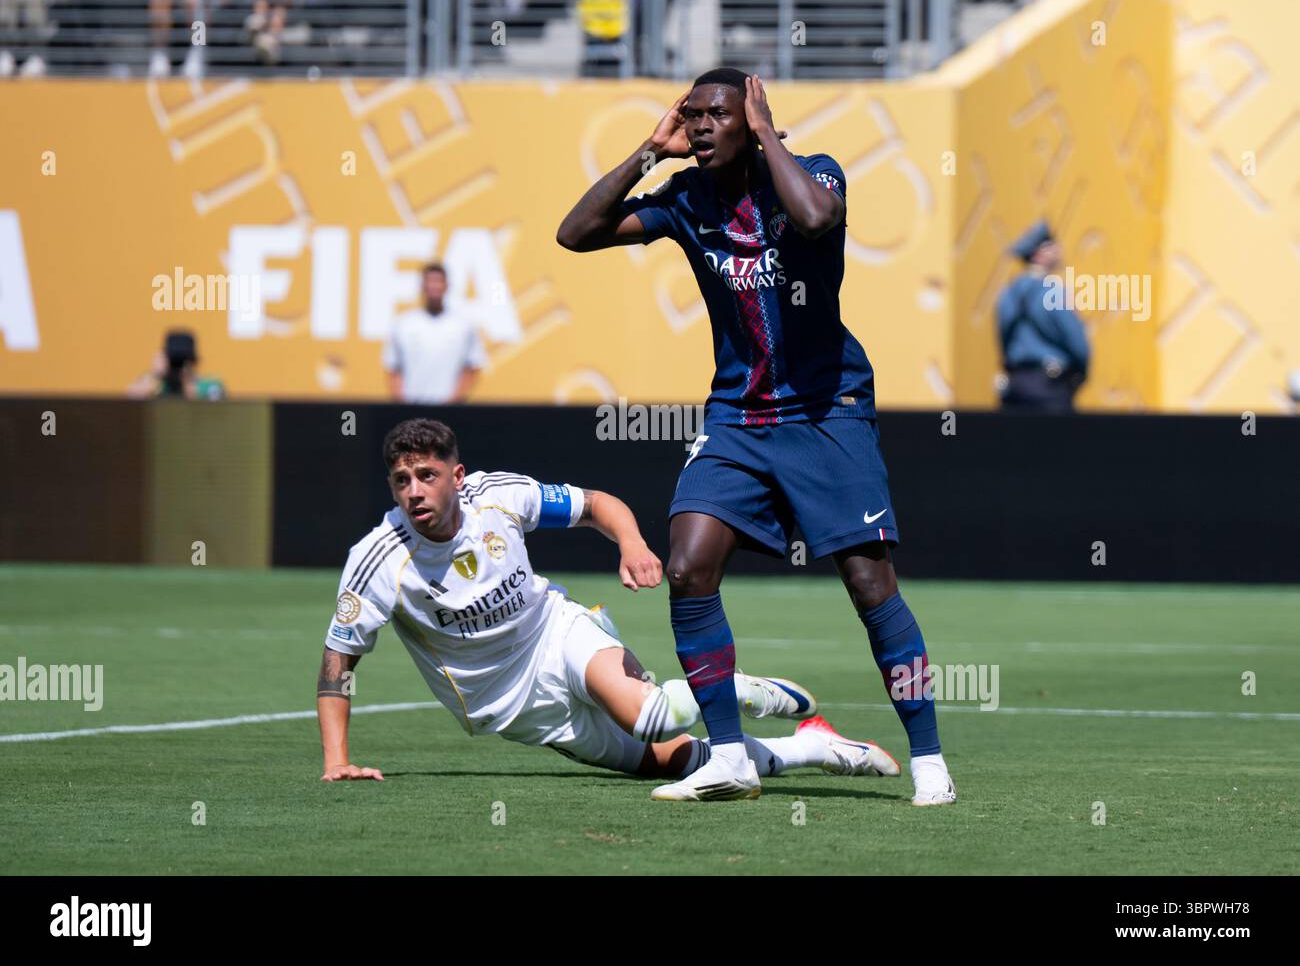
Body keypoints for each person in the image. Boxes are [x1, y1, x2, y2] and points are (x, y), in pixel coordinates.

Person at [556, 67, 955, 804]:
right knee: (688, 565)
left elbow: (812, 220)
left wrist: (770, 134)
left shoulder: (815, 172)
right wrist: (650, 151)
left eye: (718, 113)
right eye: (692, 114)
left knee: (870, 583)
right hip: (738, 417)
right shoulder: (684, 199)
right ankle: (731, 755)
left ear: (752, 119)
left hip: (826, 409)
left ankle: (929, 755)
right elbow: (575, 234)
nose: (701, 125)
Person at [316, 418, 901, 787]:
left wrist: (632, 544)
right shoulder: (377, 559)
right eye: (402, 480)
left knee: (651, 718)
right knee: (680, 758)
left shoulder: (498, 496)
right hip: (510, 706)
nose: (415, 490)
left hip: (557, 631)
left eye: (426, 474)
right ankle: (816, 748)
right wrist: (336, 758)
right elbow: (338, 662)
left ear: (456, 475)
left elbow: (596, 502)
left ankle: (736, 686)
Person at [996, 220, 1090, 412]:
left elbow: (1004, 338)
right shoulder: (1053, 291)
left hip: (1016, 385)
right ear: (1040, 253)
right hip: (1051, 389)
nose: (1058, 250)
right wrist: (1080, 375)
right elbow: (1077, 341)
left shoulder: (1008, 293)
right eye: (1052, 246)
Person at [382, 263, 487, 404]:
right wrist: (402, 406)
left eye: (438, 281)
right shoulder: (404, 324)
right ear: (422, 286)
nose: (434, 286)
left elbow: (471, 368)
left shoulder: (463, 325)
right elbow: (394, 369)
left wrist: (454, 402)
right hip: (412, 409)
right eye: (430, 281)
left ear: (446, 286)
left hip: (450, 411)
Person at [127, 330, 225, 400]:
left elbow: (215, 406)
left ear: (194, 361)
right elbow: (131, 398)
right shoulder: (158, 386)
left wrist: (186, 384)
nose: (179, 365)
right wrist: (155, 375)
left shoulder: (209, 386)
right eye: (174, 360)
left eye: (184, 360)